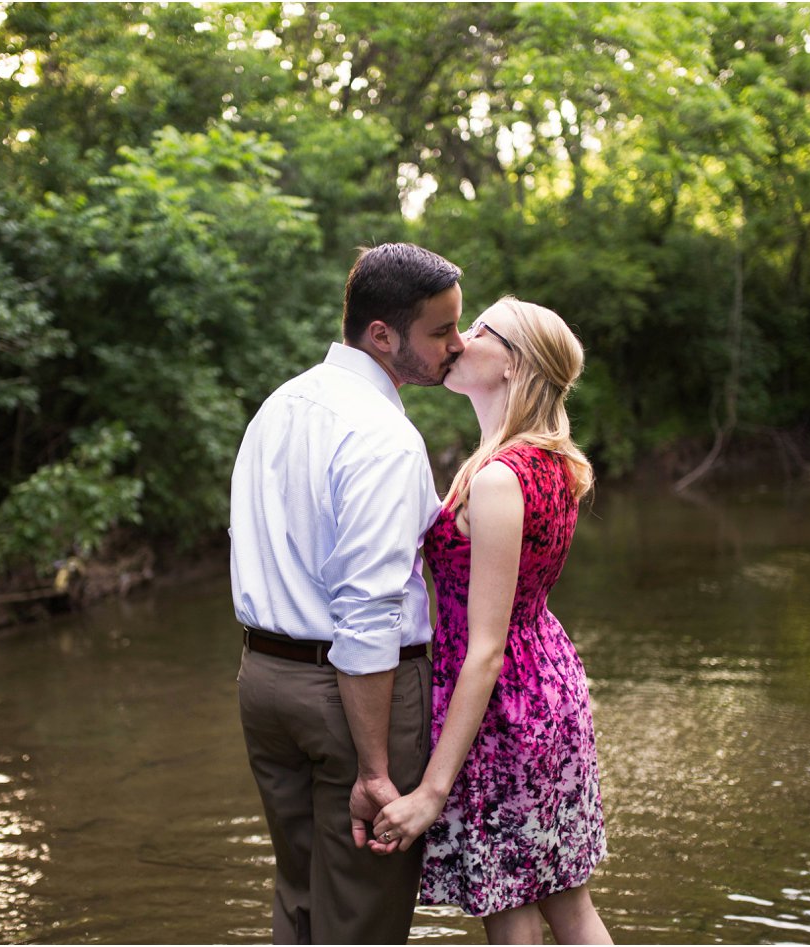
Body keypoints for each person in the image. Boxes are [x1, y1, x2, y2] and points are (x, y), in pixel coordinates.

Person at [229, 243, 467, 944]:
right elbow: (368, 611)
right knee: (362, 914)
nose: (458, 343)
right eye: (442, 330)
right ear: (382, 335)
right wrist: (373, 766)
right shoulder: (385, 437)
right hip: (353, 695)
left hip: (263, 682)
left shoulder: (280, 405)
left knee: (300, 896)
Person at [369, 297, 612, 945]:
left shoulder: (502, 477)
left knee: (510, 914)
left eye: (479, 329)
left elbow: (485, 648)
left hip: (507, 710)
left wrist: (432, 789)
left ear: (513, 363)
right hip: (544, 685)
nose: (461, 338)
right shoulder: (538, 459)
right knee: (567, 905)